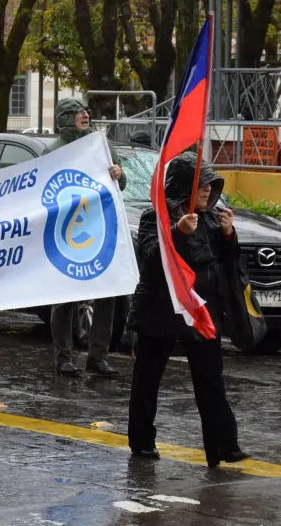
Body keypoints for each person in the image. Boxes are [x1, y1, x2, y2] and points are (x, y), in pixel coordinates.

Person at [127, 152, 249, 467]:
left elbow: (224, 263)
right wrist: (178, 234)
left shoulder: (211, 216)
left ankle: (223, 445)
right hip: (161, 311)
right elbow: (154, 261)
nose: (209, 190)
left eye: (212, 183)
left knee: (211, 379)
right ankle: (142, 441)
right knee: (147, 380)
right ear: (183, 187)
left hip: (201, 312)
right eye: (202, 184)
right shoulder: (155, 217)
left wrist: (227, 235)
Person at [43, 98, 126, 377]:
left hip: (99, 228)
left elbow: (121, 182)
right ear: (66, 117)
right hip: (65, 232)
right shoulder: (53, 151)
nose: (85, 114)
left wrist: (119, 173)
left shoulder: (101, 144)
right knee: (64, 297)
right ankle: (63, 358)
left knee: (106, 294)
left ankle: (97, 357)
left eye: (86, 110)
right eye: (78, 112)